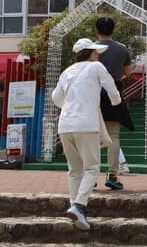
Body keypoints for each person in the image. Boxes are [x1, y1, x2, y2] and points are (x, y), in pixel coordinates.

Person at [52, 38, 121, 231]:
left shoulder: (67, 72)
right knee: (92, 168)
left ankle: (77, 212)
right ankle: (79, 205)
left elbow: (57, 99)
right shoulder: (96, 67)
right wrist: (116, 101)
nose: (98, 54)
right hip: (86, 125)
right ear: (90, 52)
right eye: (96, 51)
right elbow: (112, 88)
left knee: (75, 170)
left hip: (65, 125)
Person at [95, 16, 134, 190]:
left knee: (92, 136)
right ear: (113, 30)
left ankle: (91, 175)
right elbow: (129, 72)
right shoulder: (122, 49)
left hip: (94, 93)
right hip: (114, 93)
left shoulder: (92, 49)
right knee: (113, 135)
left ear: (96, 31)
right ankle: (112, 174)